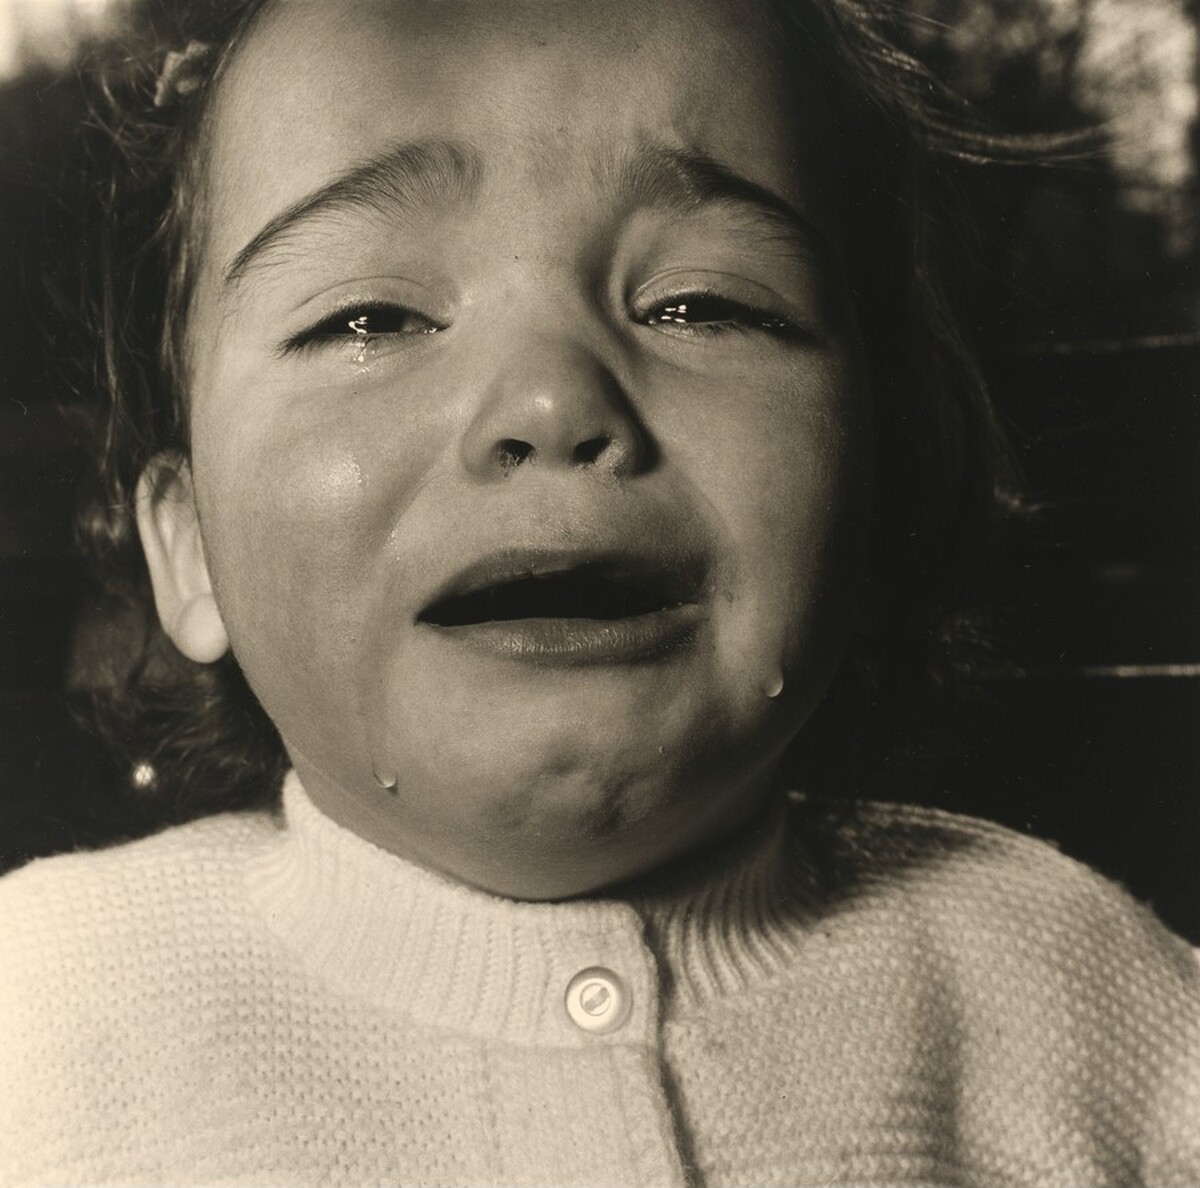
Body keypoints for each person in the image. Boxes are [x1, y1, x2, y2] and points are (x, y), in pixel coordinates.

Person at [1, 0, 1197, 1183]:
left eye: (704, 304)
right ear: (190, 547)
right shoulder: (42, 1014)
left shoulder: (1095, 1008)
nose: (551, 402)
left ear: (887, 488)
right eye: (368, 316)